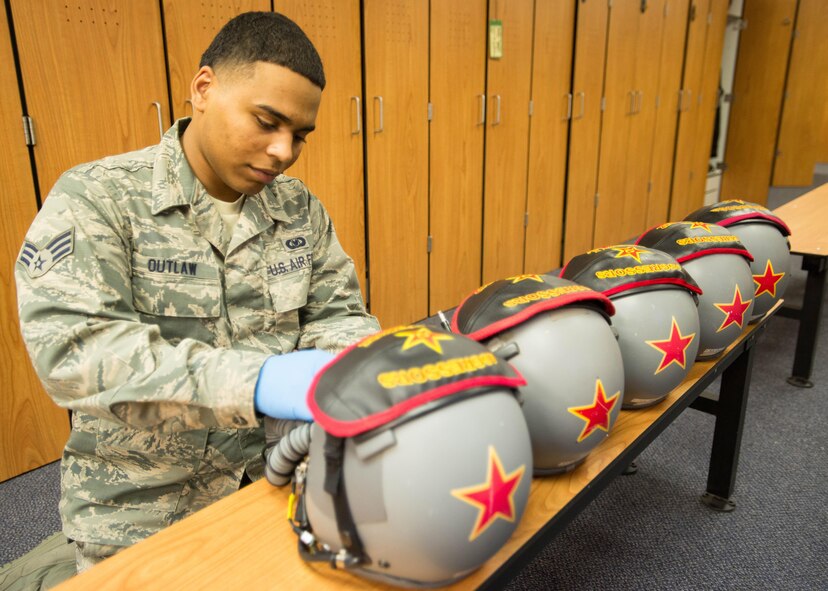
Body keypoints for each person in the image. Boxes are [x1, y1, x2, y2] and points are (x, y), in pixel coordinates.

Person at [9, 10, 379, 582]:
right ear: (204, 89)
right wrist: (259, 383)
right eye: (267, 122)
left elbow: (336, 312)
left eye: (300, 135)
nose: (283, 151)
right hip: (145, 508)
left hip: (280, 477)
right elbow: (77, 354)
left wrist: (354, 367)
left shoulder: (296, 207)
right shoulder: (99, 199)